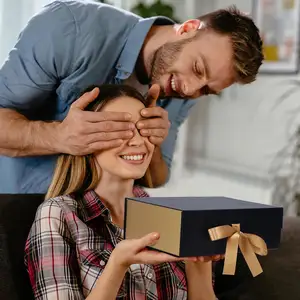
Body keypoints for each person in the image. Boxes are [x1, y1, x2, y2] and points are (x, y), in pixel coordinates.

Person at [0, 1, 263, 193]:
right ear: (187, 28)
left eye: (206, 90)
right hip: (13, 204)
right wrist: (60, 137)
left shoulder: (184, 91)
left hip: (90, 224)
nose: (189, 90)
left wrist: (154, 145)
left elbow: (158, 177)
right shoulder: (71, 29)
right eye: (197, 68)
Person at [25, 84, 223, 300]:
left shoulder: (170, 216)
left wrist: (198, 266)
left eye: (143, 129)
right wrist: (118, 264)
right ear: (85, 139)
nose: (138, 141)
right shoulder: (58, 215)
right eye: (120, 130)